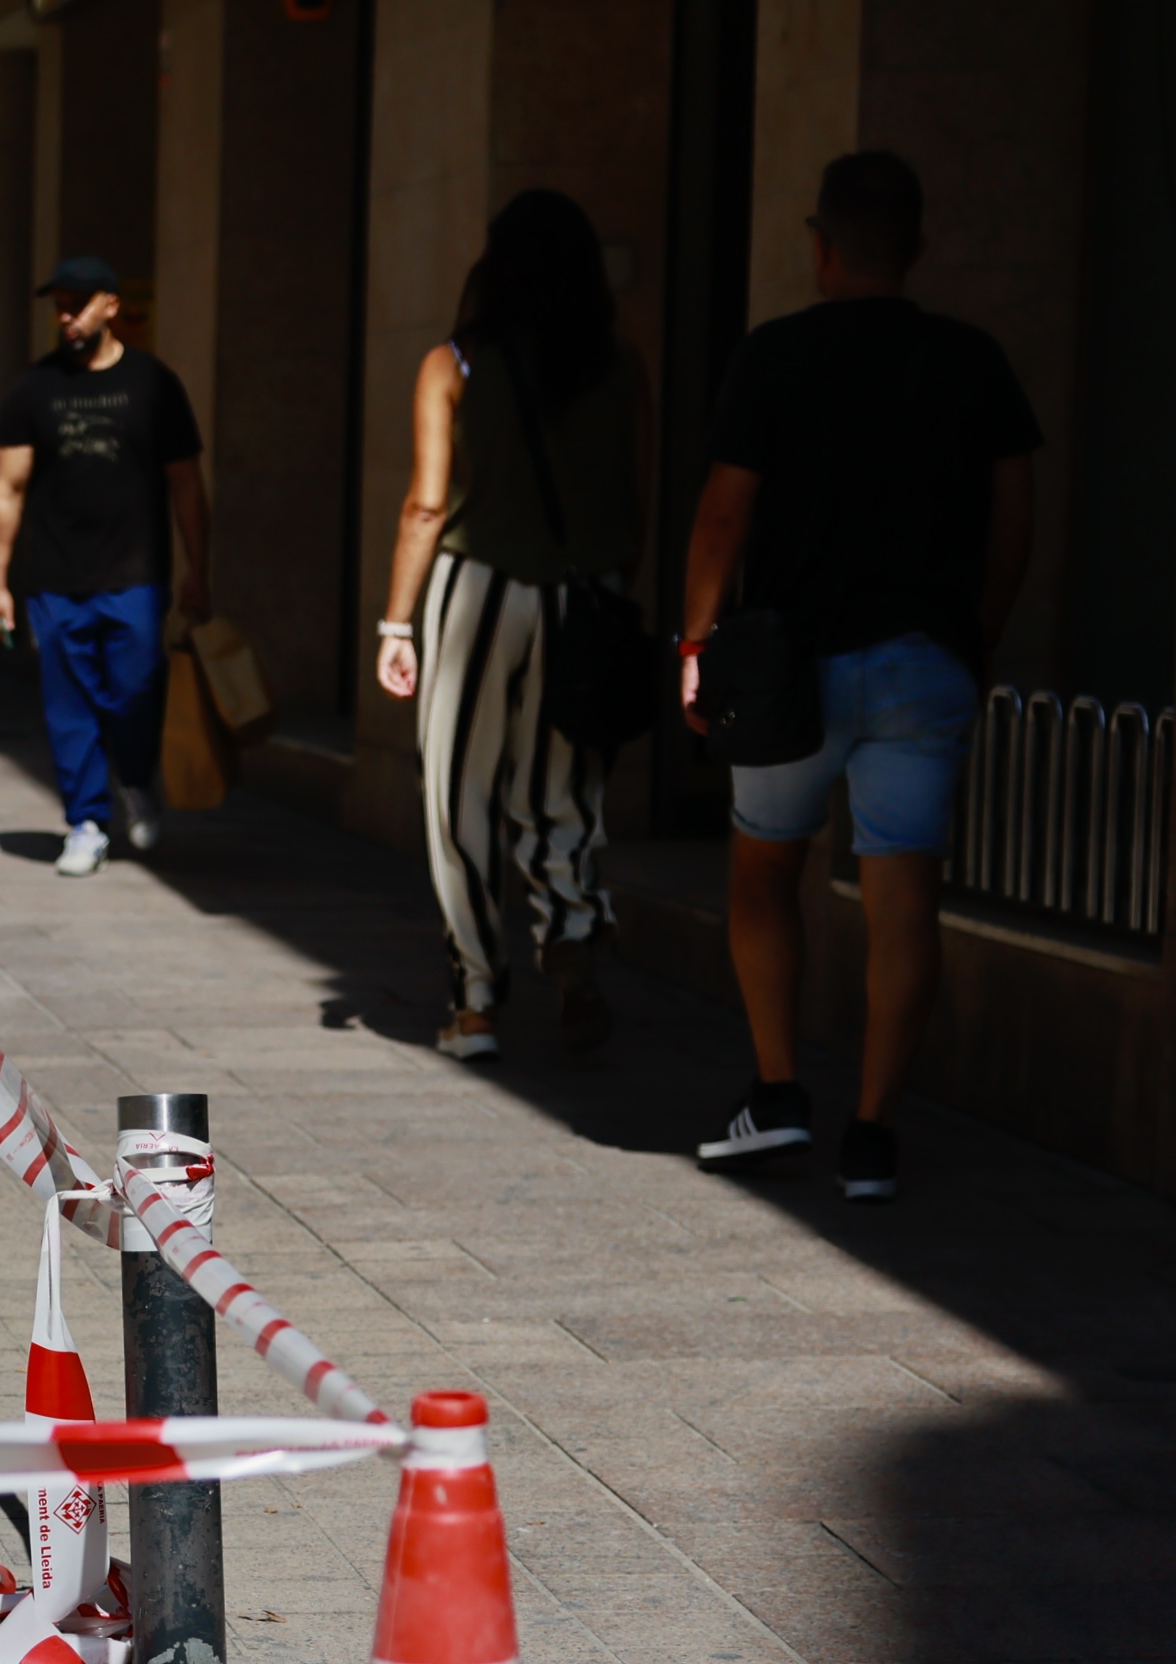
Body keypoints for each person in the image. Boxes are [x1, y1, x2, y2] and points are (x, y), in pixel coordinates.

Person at [680, 150, 1037, 1204]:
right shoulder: (974, 360)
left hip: (795, 666)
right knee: (902, 899)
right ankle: (873, 1134)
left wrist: (696, 644)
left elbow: (723, 510)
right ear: (916, 247)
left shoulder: (774, 355)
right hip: (926, 659)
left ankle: (778, 1090)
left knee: (761, 871)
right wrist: (976, 630)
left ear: (820, 246)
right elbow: (1015, 512)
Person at [376, 190, 645, 1063]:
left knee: (459, 792)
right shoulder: (622, 365)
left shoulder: (453, 363)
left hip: (476, 592)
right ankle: (567, 932)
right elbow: (630, 494)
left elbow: (425, 504)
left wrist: (396, 624)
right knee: (559, 788)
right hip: (584, 594)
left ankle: (478, 999)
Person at [0, 256, 210, 877]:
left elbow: (186, 482)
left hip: (136, 573)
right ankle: (86, 820)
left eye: (79, 302)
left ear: (113, 305)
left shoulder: (154, 384)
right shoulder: (34, 389)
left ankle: (135, 778)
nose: (66, 315)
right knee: (68, 703)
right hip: (55, 577)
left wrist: (198, 567)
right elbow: (8, 486)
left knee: (136, 691)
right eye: (59, 303)